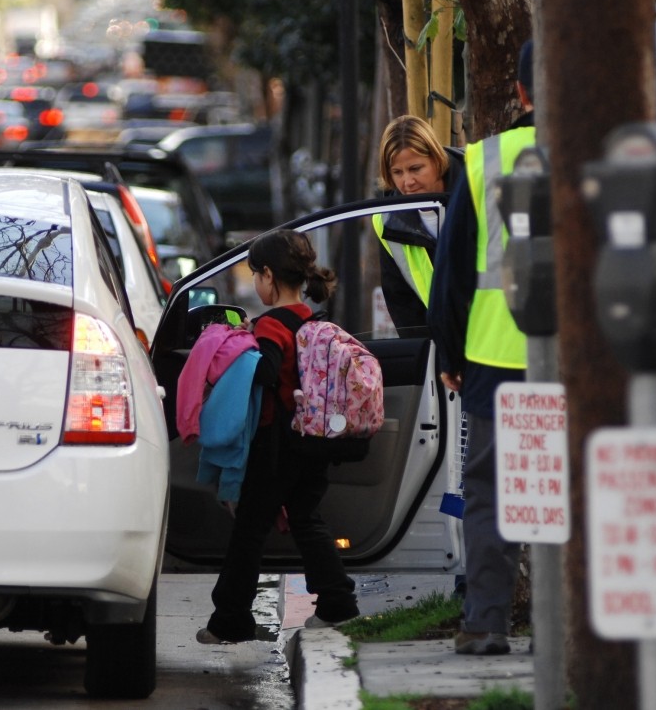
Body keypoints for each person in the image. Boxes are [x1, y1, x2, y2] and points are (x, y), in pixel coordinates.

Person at [197, 229, 359, 644]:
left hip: (276, 446)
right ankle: (338, 603)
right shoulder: (310, 318)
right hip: (311, 440)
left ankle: (230, 620)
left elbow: (268, 372)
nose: (255, 283)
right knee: (306, 519)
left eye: (255, 274)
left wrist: (246, 344)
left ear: (268, 275)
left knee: (250, 530)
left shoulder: (271, 325)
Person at [427, 40, 536, 656]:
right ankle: (574, 625)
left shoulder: (484, 161)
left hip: (494, 359)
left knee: (491, 491)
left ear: (520, 93)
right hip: (583, 364)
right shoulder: (606, 158)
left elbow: (452, 273)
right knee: (573, 483)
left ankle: (487, 623)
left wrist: (449, 354)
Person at [373, 115, 466, 329]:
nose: (407, 182)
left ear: (436, 159)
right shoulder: (386, 220)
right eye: (397, 172)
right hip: (440, 342)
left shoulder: (474, 189)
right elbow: (400, 300)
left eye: (415, 168)